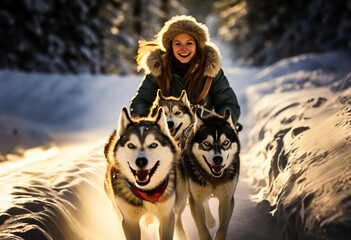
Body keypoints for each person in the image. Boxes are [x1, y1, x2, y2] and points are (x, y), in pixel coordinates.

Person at [130, 15, 241, 125]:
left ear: (197, 45)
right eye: (178, 44)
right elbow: (142, 101)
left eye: (189, 43)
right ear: (170, 46)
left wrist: (222, 124)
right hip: (168, 133)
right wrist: (142, 122)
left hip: (202, 135)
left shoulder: (211, 71)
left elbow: (227, 103)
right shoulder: (158, 69)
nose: (184, 48)